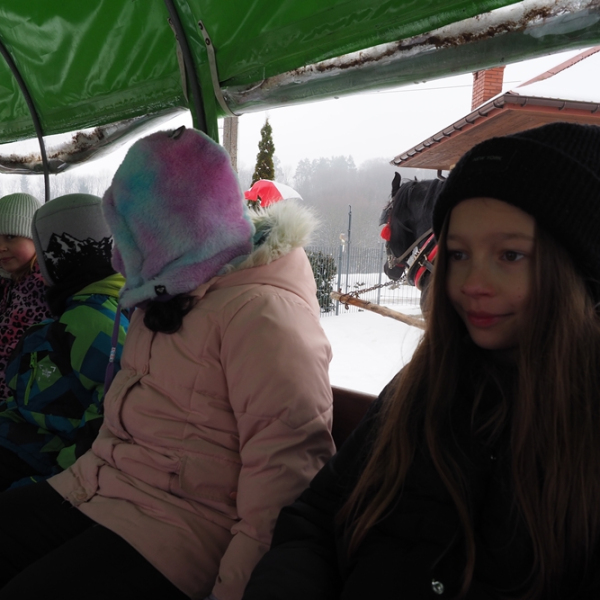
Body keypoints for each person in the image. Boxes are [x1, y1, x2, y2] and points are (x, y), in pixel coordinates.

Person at [242, 122, 600, 600]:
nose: (472, 283)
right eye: (458, 254)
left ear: (579, 266)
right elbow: (315, 520)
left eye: (511, 255)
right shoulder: (424, 385)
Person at [0, 127, 334, 600]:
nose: (119, 258)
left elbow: (284, 480)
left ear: (175, 231)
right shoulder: (166, 292)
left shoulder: (264, 316)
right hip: (105, 486)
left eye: (132, 237)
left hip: (184, 528)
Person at [0, 193, 129, 490]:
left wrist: (57, 478)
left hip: (51, 452)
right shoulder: (78, 307)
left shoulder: (92, 320)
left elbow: (110, 415)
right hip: (30, 430)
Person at [0, 192, 52, 399]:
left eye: (10, 237)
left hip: (20, 395)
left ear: (36, 238)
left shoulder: (41, 286)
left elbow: (10, 350)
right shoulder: (10, 281)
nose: (1, 247)